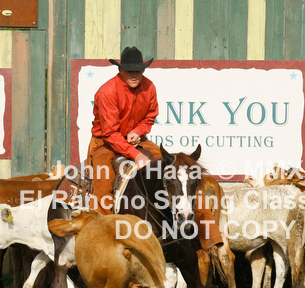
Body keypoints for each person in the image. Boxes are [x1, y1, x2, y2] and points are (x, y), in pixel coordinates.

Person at [87, 46, 223, 251]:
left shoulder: (149, 87)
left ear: (143, 70)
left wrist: (138, 131)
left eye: (138, 70)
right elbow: (109, 133)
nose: (134, 75)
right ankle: (103, 243)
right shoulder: (107, 92)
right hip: (106, 144)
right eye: (129, 70)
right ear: (120, 70)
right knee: (103, 185)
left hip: (138, 140)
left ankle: (210, 237)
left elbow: (150, 116)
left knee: (180, 170)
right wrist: (135, 155)